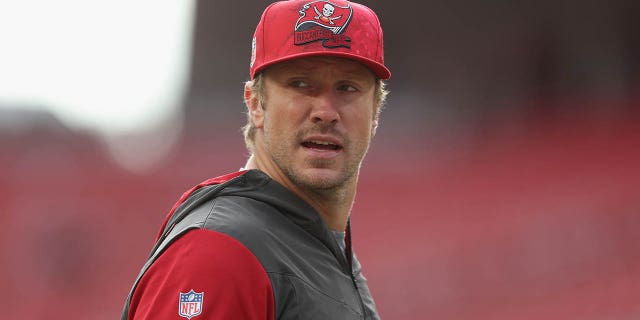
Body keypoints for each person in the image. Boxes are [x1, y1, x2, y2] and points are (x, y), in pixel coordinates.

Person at [122, 0, 390, 319]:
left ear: (375, 112)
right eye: (300, 84)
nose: (325, 112)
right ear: (256, 105)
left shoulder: (321, 250)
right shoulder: (221, 251)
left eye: (347, 87)